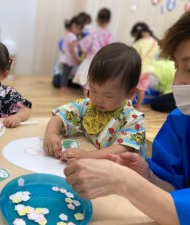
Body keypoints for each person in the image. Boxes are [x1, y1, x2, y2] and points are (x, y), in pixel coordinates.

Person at [64, 11, 190, 225]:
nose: (176, 82)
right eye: (177, 66)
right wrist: (148, 176)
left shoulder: (133, 118)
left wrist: (123, 181)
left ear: (129, 94)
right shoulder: (181, 121)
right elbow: (172, 188)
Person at [44, 42, 146, 161]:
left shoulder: (133, 119)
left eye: (108, 96)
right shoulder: (87, 106)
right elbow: (60, 116)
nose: (97, 99)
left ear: (130, 93)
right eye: (93, 90)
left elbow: (121, 150)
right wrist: (51, 133)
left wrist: (87, 156)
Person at [72, 8, 113, 93]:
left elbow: (85, 45)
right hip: (103, 61)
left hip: (91, 59)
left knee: (87, 82)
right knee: (97, 82)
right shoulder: (110, 35)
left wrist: (83, 54)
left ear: (97, 20)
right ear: (109, 20)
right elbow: (110, 49)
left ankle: (85, 100)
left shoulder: (93, 32)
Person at [131, 22, 160, 110]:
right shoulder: (155, 42)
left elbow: (132, 54)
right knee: (142, 89)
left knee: (132, 87)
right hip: (150, 69)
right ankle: (139, 106)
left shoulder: (139, 43)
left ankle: (127, 105)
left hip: (140, 69)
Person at [59, 16, 83, 94]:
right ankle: (63, 88)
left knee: (65, 74)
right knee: (66, 74)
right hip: (68, 59)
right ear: (73, 26)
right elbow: (72, 49)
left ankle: (64, 87)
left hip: (66, 58)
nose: (80, 31)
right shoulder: (72, 36)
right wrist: (76, 59)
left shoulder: (67, 34)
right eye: (79, 29)